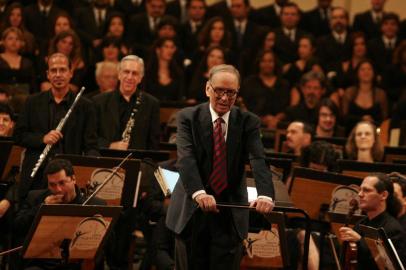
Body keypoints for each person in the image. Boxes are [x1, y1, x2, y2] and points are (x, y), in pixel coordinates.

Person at [166, 64, 275, 269]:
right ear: (208, 89)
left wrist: (266, 195)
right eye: (219, 91)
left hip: (229, 215)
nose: (225, 98)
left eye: (231, 93)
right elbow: (186, 159)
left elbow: (258, 158)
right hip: (192, 212)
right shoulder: (188, 117)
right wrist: (199, 193)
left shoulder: (248, 122)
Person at [13, 53, 99, 201]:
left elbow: (90, 145)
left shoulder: (85, 106)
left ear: (71, 73)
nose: (58, 75)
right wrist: (42, 138)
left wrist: (88, 172)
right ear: (47, 74)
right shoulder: (32, 102)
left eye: (62, 70)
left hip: (67, 179)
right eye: (53, 70)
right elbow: (18, 136)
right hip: (37, 177)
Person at [14, 158, 105, 269]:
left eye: (62, 183)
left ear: (73, 179)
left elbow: (107, 243)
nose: (58, 189)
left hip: (77, 264)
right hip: (42, 263)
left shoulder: (94, 204)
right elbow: (17, 227)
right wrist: (41, 208)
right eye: (52, 185)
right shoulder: (35, 198)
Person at [338, 173, 406, 269]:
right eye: (360, 189)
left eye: (366, 190)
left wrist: (359, 240)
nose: (360, 194)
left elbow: (386, 266)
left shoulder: (393, 229)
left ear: (383, 195)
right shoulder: (360, 224)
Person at [93, 54, 160, 150]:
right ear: (119, 74)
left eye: (135, 73)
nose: (130, 77)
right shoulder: (99, 102)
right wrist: (110, 146)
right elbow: (91, 138)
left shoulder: (151, 104)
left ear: (140, 78)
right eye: (126, 72)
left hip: (137, 162)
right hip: (105, 160)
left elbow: (153, 144)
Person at [240, 49, 290, 129]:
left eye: (270, 61)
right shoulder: (249, 82)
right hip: (253, 124)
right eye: (263, 61)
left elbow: (287, 108)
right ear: (259, 63)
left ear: (275, 63)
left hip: (278, 125)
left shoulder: (284, 84)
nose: (267, 64)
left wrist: (275, 119)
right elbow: (244, 105)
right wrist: (261, 119)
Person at [342, 59, 388, 132]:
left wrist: (372, 122)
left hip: (375, 134)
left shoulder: (381, 94)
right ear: (357, 73)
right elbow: (344, 118)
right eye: (362, 69)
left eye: (369, 69)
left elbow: (385, 120)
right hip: (351, 134)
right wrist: (361, 119)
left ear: (374, 73)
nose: (366, 72)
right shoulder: (349, 92)